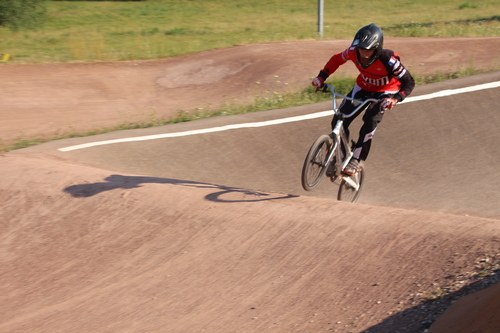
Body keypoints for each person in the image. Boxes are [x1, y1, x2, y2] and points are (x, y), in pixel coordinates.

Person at [312, 23, 415, 176]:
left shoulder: (389, 60)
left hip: (385, 92)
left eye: (368, 50)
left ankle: (357, 159)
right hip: (363, 88)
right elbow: (336, 60)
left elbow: (409, 82)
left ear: (377, 48)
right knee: (338, 120)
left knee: (370, 120)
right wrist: (322, 77)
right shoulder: (352, 52)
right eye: (361, 49)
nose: (363, 53)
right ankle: (341, 155)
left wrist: (395, 99)